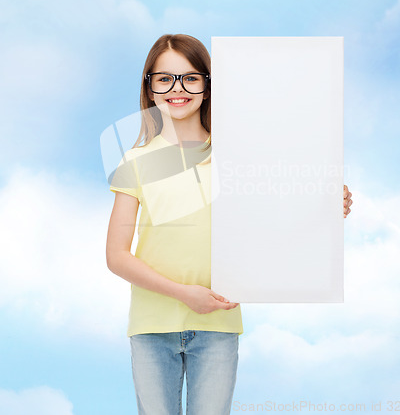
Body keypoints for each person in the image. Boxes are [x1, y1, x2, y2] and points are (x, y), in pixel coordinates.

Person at [106, 33, 353, 415]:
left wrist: (324, 204)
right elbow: (117, 256)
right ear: (149, 87)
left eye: (191, 77)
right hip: (152, 326)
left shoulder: (238, 157)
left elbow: (275, 217)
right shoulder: (136, 161)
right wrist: (184, 293)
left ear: (208, 85)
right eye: (165, 78)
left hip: (219, 324)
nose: (178, 88)